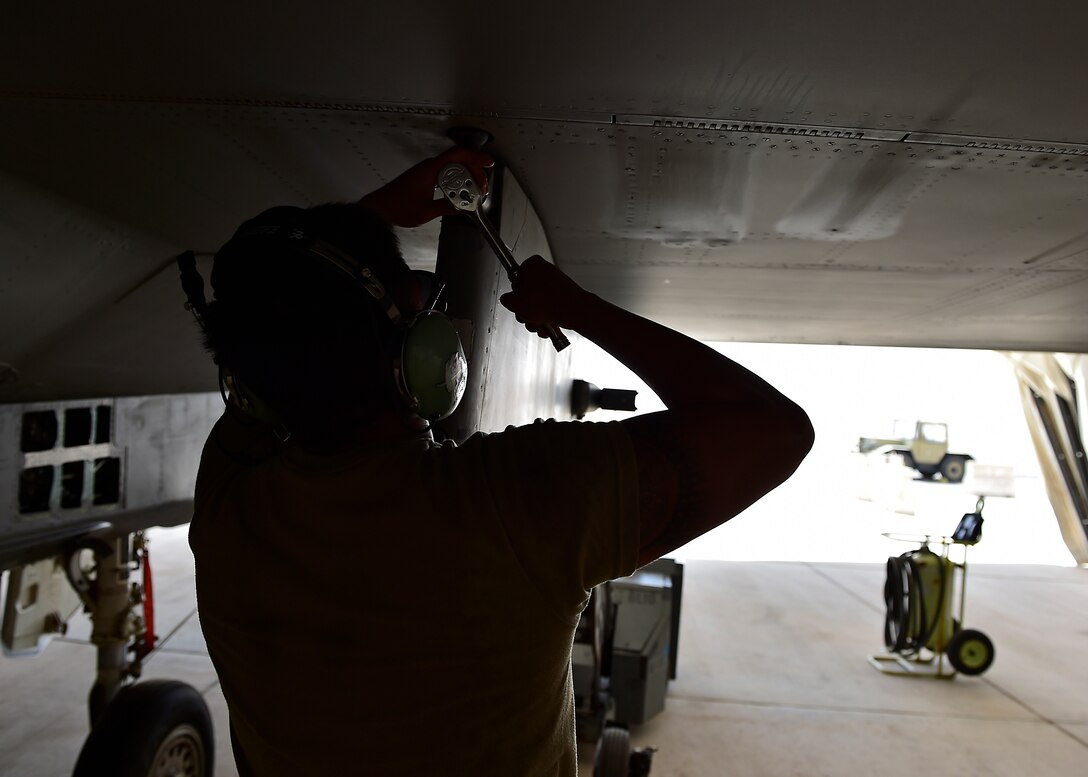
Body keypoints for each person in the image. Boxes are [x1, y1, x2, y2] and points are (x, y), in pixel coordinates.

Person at [185, 146, 813, 776]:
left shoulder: (228, 507)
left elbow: (272, 344)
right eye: (424, 301)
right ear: (413, 357)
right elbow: (775, 433)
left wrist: (370, 238)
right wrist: (573, 307)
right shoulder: (515, 507)